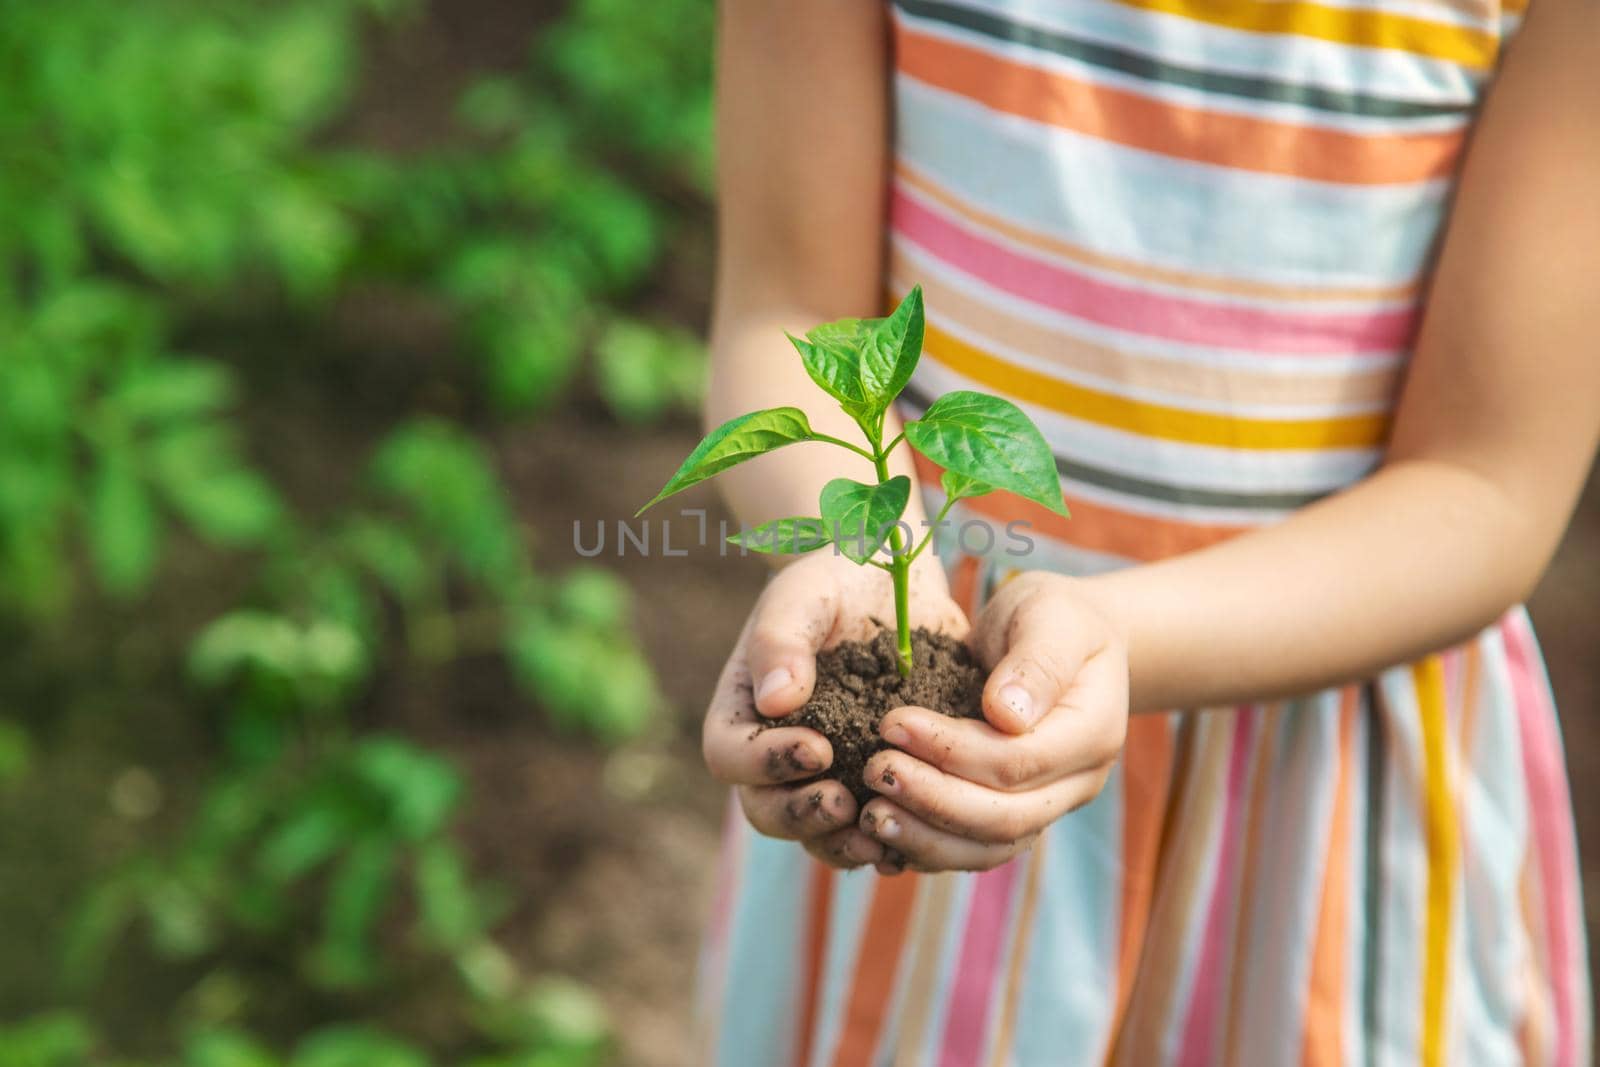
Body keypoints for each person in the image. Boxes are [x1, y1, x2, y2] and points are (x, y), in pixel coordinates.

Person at [693, 0, 1597, 1062]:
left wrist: (1109, 633)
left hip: (1323, 755)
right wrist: (848, 546)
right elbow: (792, 308)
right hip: (937, 718)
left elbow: (1485, 483)